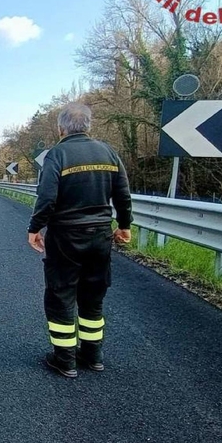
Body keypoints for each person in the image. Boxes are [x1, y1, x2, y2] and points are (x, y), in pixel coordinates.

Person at [27, 102, 133, 378]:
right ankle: (93, 355)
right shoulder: (108, 152)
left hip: (65, 236)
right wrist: (124, 225)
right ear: (89, 125)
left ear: (60, 128)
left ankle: (64, 360)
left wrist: (35, 227)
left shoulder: (58, 154)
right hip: (100, 234)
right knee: (93, 295)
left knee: (61, 294)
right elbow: (122, 193)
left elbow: (47, 197)